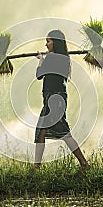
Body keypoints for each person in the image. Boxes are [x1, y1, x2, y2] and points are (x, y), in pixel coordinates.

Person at [33, 29, 89, 170]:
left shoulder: (52, 58)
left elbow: (39, 75)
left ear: (55, 42)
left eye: (48, 41)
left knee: (51, 131)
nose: (46, 44)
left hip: (53, 98)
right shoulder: (63, 58)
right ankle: (37, 166)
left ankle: (84, 164)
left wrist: (41, 60)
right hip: (56, 98)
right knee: (48, 131)